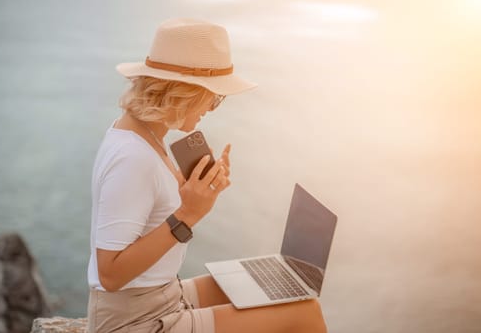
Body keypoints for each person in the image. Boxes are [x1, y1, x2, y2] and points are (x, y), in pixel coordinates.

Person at [87, 18, 328, 333]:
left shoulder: (144, 135)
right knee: (303, 312)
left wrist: (197, 193)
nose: (213, 108)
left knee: (273, 283)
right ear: (185, 92)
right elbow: (111, 274)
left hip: (161, 296)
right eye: (214, 96)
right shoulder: (133, 158)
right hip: (134, 321)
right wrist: (187, 215)